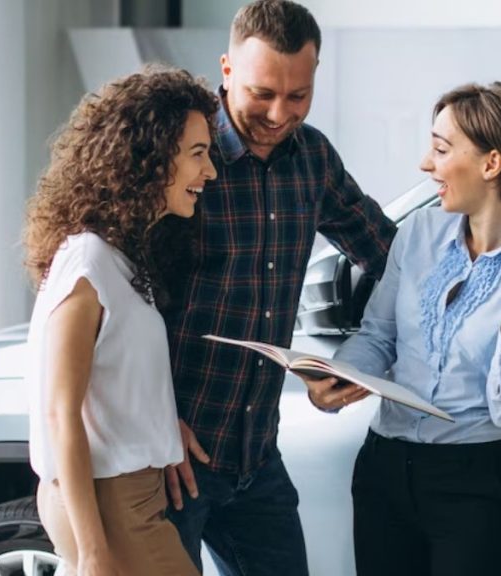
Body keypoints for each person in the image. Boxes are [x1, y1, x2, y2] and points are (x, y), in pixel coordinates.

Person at [303, 82, 501, 576]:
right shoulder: (417, 233)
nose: (426, 164)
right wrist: (341, 375)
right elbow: (379, 335)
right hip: (383, 469)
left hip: (471, 484)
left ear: (491, 164)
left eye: (440, 148)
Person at [161, 1, 397, 574]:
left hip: (256, 456)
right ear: (225, 70)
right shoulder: (179, 156)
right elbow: (117, 302)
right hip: (172, 458)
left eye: (298, 96)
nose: (277, 113)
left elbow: (391, 256)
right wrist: (152, 420)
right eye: (262, 92)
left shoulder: (312, 158)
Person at [23, 65, 218, 576]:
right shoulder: (87, 261)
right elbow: (60, 413)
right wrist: (92, 553)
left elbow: (112, 379)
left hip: (129, 500)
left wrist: (157, 422)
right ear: (150, 158)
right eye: (197, 154)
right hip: (111, 508)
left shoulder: (121, 256)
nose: (211, 171)